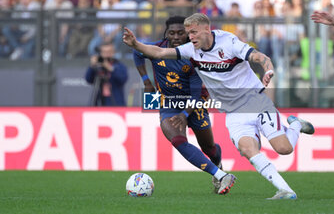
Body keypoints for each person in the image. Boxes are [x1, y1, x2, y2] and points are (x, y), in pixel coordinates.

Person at [123, 13, 315, 199]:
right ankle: (285, 191)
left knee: (283, 148)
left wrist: (268, 70)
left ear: (207, 29)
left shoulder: (229, 43)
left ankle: (296, 124)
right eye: (188, 33)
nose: (190, 37)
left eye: (193, 32)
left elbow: (259, 57)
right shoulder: (191, 50)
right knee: (248, 149)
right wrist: (136, 44)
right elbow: (159, 52)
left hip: (255, 100)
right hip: (232, 112)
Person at [133, 16, 235, 195]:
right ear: (166, 34)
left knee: (209, 148)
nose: (176, 37)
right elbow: (137, 52)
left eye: (181, 33)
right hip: (169, 104)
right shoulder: (157, 48)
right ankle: (221, 175)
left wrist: (185, 115)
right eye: (172, 33)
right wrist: (146, 81)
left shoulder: (194, 57)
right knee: (178, 140)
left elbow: (196, 96)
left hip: (194, 105)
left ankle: (217, 164)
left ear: (188, 35)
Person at [85, 42, 128, 106]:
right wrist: (92, 66)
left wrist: (109, 68)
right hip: (99, 102)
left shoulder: (119, 65)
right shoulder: (98, 66)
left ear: (114, 52)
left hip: (115, 102)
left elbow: (123, 79)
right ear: (100, 53)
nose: (107, 55)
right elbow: (88, 79)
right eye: (104, 52)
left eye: (109, 52)